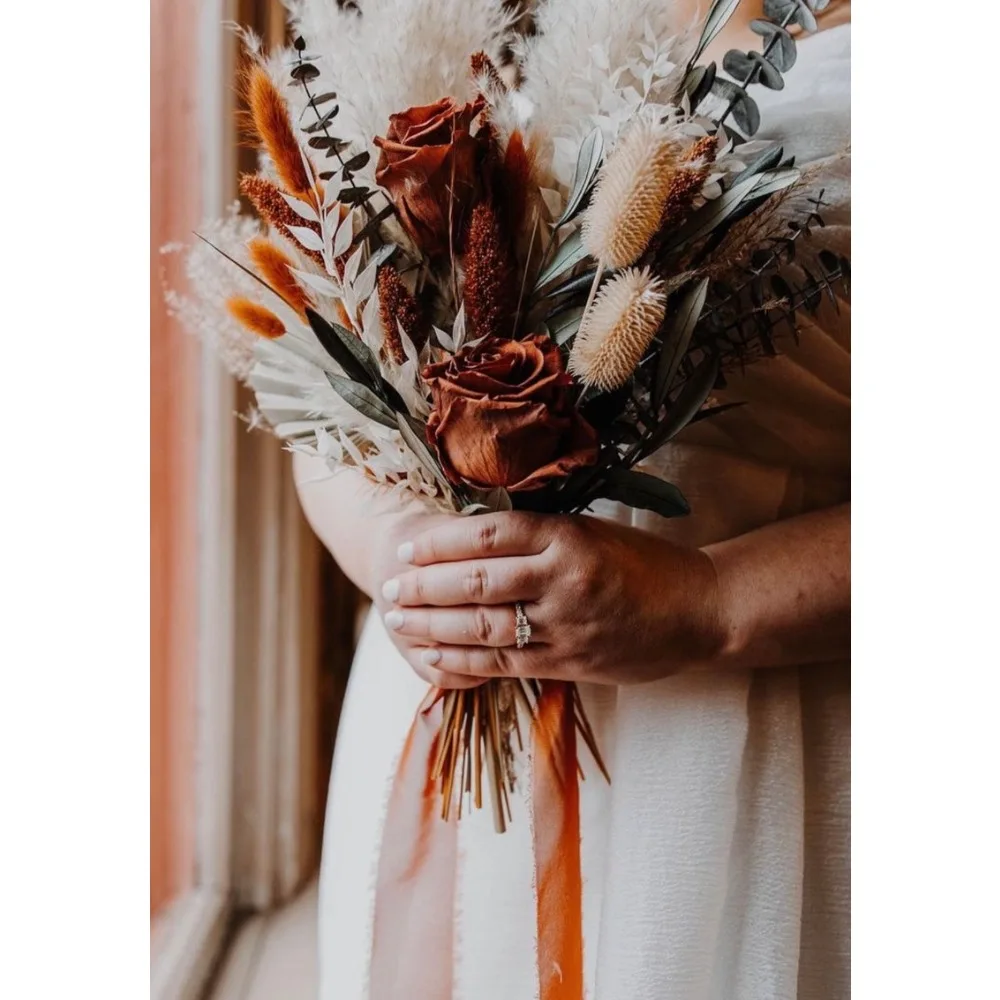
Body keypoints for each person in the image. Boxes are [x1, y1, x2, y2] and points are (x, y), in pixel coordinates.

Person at [296, 5, 850, 998]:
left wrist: (708, 603)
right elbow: (315, 384)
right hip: (444, 717)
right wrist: (415, 554)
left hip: (756, 746)